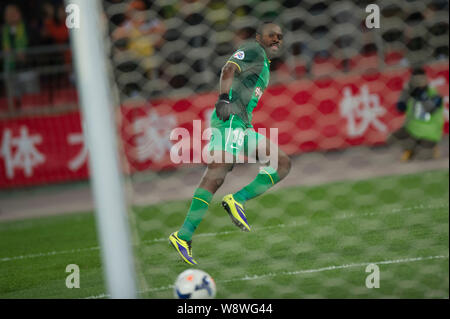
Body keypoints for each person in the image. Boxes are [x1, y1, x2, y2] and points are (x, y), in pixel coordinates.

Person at [169, 22, 291, 265]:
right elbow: (228, 68)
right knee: (216, 173)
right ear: (259, 37)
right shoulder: (254, 50)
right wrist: (223, 98)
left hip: (243, 125)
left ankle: (236, 201)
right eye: (271, 35)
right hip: (230, 119)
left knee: (281, 164)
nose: (276, 39)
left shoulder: (264, 62)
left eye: (280, 36)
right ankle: (184, 235)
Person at [388, 67, 445, 161]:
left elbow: (430, 109)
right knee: (391, 138)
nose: (418, 83)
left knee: (424, 157)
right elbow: (400, 108)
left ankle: (430, 148)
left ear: (426, 79)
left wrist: (421, 95)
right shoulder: (410, 94)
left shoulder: (434, 93)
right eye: (416, 80)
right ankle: (410, 149)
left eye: (421, 79)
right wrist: (405, 95)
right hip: (411, 130)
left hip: (429, 132)